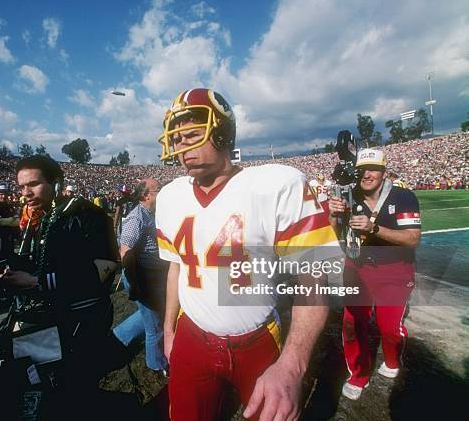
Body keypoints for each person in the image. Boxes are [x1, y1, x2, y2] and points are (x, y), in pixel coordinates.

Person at [156, 88, 338, 420]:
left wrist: (293, 366)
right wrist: (169, 330)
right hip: (191, 336)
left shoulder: (278, 185)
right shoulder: (169, 196)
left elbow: (315, 280)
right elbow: (176, 269)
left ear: (222, 133)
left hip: (257, 339)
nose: (181, 147)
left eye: (192, 135)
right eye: (177, 139)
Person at [0, 155, 122, 414]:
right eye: (21, 187)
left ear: (55, 183)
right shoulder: (42, 216)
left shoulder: (87, 213)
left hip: (82, 322)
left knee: (77, 391)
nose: (25, 193)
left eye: (33, 184)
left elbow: (102, 271)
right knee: (47, 388)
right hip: (50, 321)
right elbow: (48, 263)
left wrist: (34, 281)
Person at [328, 148, 421, 400]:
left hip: (394, 270)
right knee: (351, 323)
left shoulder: (403, 197)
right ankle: (358, 374)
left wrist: (374, 228)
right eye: (361, 170)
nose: (366, 175)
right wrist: (334, 216)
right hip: (357, 266)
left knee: (389, 328)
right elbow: (333, 234)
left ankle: (392, 360)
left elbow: (412, 239)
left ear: (384, 172)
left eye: (373, 169)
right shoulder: (347, 194)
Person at [112, 178, 169, 373]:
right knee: (156, 325)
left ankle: (119, 337)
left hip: (150, 277)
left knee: (149, 314)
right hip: (143, 278)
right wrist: (135, 285)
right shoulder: (137, 218)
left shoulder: (149, 213)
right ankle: (156, 363)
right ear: (146, 195)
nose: (161, 192)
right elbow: (125, 252)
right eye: (157, 189)